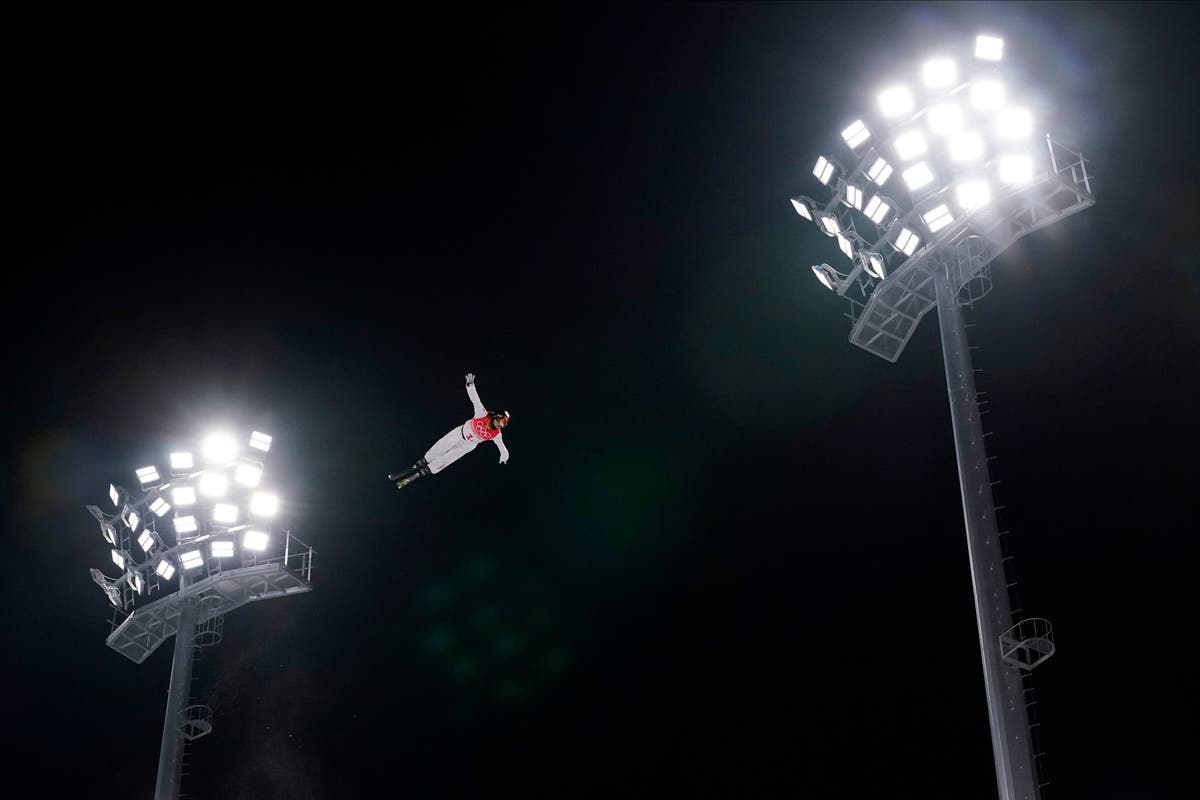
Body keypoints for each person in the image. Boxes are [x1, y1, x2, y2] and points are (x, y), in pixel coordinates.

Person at [390, 373, 510, 489]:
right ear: (497, 417)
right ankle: (422, 462)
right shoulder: (482, 414)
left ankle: (426, 470)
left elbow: (502, 447)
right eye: (501, 421)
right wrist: (470, 385)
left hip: (468, 445)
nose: (500, 425)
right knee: (440, 447)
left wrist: (504, 456)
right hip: (459, 433)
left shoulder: (496, 434)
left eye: (503, 424)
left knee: (449, 457)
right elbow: (475, 400)